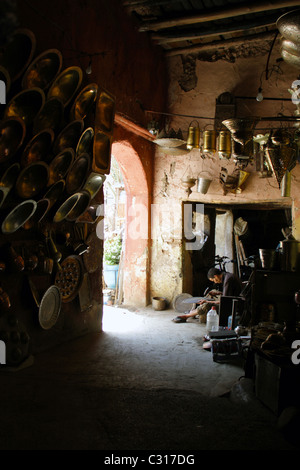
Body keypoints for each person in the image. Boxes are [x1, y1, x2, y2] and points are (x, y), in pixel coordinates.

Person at [172, 267, 242, 323]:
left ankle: (186, 316)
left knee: (207, 305)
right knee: (213, 291)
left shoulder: (227, 280)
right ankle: (196, 310)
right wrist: (218, 293)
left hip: (233, 304)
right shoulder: (227, 275)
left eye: (214, 280)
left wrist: (208, 302)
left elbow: (225, 301)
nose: (215, 282)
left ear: (216, 276)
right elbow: (230, 293)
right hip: (233, 298)